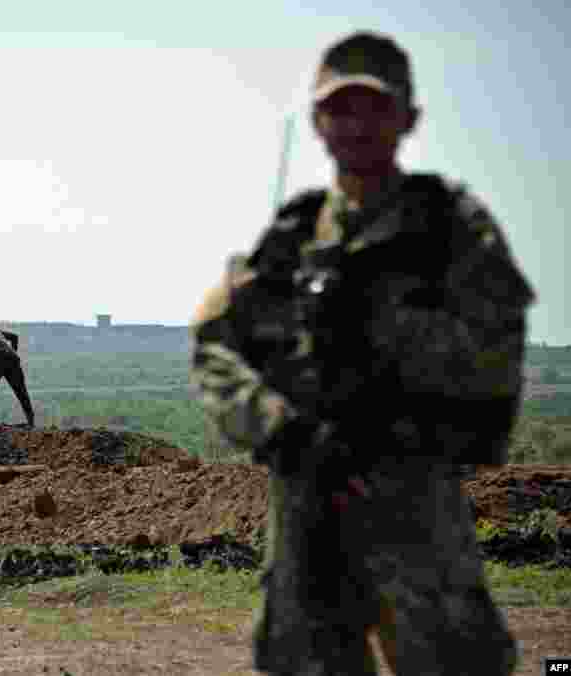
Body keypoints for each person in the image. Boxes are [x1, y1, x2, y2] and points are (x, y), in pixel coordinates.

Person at [191, 31, 535, 675]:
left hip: (413, 500)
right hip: (308, 506)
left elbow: (497, 354)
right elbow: (215, 343)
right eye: (339, 108)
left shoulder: (450, 226)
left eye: (375, 107)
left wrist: (387, 338)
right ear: (319, 122)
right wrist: (280, 429)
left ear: (409, 118)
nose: (356, 124)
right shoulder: (295, 235)